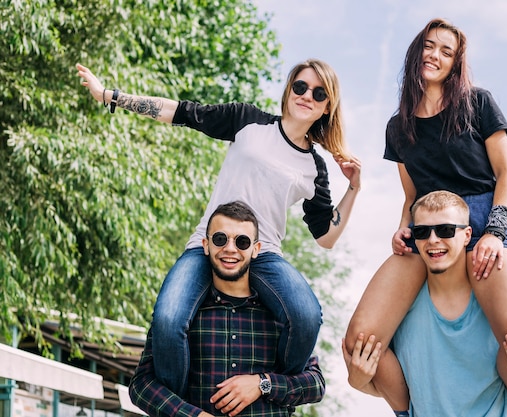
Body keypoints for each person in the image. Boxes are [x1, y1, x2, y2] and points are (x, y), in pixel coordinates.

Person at [77, 59, 361, 396]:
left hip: (262, 252)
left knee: (306, 316)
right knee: (168, 319)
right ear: (288, 90)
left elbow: (326, 236)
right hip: (208, 244)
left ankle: (268, 393)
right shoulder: (248, 121)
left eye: (318, 93)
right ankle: (179, 405)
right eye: (300, 87)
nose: (306, 96)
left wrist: (354, 189)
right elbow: (181, 112)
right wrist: (110, 96)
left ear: (327, 107)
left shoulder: (315, 167)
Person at [345, 17, 507, 416]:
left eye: (446, 51)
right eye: (430, 46)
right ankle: (410, 409)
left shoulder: (478, 103)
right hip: (427, 229)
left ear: (455, 63)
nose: (435, 55)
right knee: (359, 340)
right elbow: (411, 195)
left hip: (484, 219)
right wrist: (402, 228)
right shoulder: (398, 126)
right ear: (417, 52)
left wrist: (495, 233)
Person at [343, 190, 507, 417]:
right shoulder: (399, 304)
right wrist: (357, 382)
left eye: (445, 230)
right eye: (422, 232)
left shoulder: (496, 302)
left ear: (467, 235)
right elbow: (386, 381)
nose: (433, 240)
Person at [129, 201, 325, 417]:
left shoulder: (283, 314)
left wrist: (263, 384)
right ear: (206, 244)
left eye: (242, 241)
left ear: (256, 249)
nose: (230, 248)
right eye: (220, 239)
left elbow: (315, 384)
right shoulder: (182, 314)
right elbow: (141, 385)